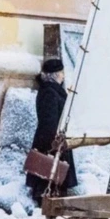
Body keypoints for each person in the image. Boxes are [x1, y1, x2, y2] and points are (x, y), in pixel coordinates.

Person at [26, 58, 79, 204]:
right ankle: (47, 207)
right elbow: (48, 123)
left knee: (54, 179)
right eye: (61, 72)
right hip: (51, 143)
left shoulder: (51, 91)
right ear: (55, 74)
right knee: (49, 180)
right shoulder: (50, 93)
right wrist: (54, 145)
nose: (63, 75)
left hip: (54, 141)